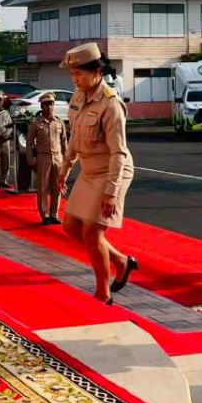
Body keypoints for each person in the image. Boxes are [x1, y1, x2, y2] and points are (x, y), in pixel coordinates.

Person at [58, 43, 137, 304]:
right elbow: (74, 138)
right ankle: (121, 261)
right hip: (89, 171)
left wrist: (111, 193)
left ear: (96, 72)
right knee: (71, 227)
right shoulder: (77, 97)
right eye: (72, 75)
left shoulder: (111, 105)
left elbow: (119, 152)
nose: (75, 79)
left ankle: (103, 293)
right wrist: (65, 169)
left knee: (93, 233)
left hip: (112, 171)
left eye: (79, 74)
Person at [27, 91, 67, 224]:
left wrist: (66, 159)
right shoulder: (36, 124)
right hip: (43, 158)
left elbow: (64, 140)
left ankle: (54, 214)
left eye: (51, 104)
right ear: (42, 107)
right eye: (46, 104)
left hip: (57, 158)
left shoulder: (59, 121)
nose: (49, 107)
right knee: (43, 187)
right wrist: (30, 158)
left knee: (57, 187)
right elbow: (29, 142)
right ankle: (44, 215)